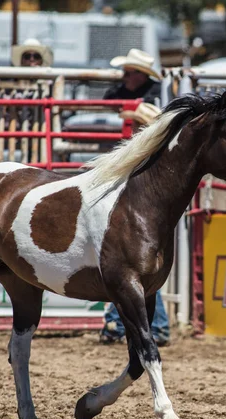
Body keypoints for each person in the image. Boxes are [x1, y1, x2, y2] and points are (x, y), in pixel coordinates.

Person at [99, 102, 170, 347]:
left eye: (138, 124)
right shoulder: (153, 154)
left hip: (141, 220)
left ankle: (124, 324)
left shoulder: (145, 154)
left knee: (133, 273)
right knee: (139, 275)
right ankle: (150, 326)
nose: (133, 129)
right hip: (148, 220)